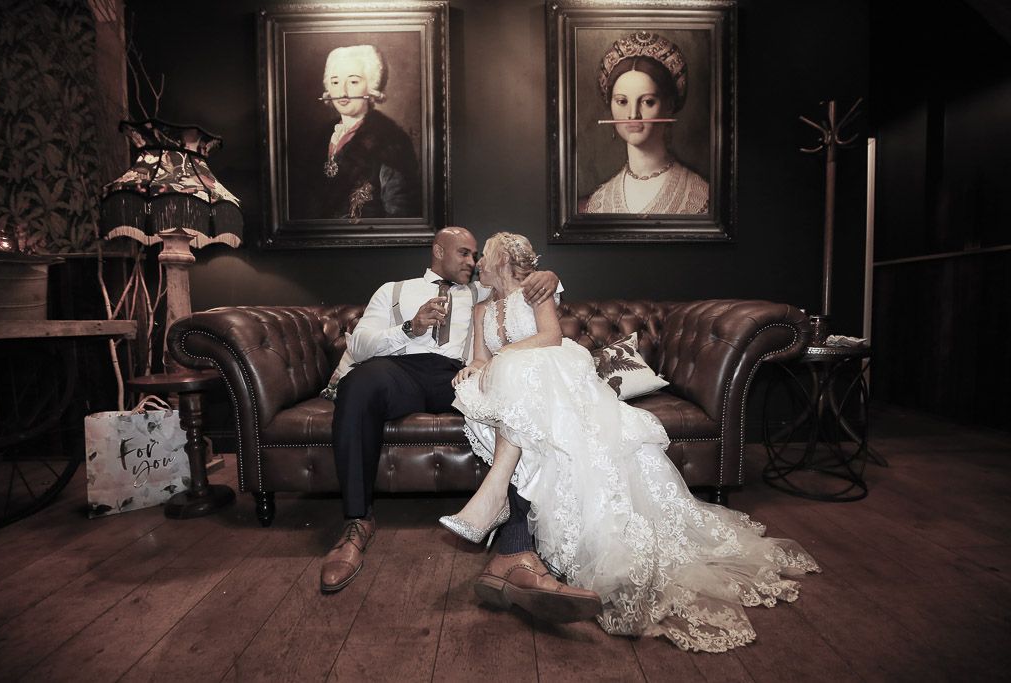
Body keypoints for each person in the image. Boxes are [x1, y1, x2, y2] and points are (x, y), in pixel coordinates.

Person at [440, 232, 820, 653]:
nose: (477, 264)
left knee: (525, 373)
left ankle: (499, 501)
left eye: (483, 257)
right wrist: (475, 367)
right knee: (509, 383)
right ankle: (510, 536)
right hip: (512, 389)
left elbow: (549, 337)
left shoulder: (536, 289)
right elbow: (478, 357)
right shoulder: (479, 308)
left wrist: (503, 357)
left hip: (551, 378)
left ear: (503, 261)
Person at [321, 226, 603, 623]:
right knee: (359, 384)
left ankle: (515, 550)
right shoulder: (393, 290)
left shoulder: (481, 293)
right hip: (399, 368)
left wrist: (550, 276)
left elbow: (519, 290)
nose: (472, 263)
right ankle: (356, 522)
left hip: (460, 374)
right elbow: (359, 345)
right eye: (465, 254)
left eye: (476, 256)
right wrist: (411, 327)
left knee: (515, 401)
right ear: (439, 251)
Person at [580, 31, 709, 215]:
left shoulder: (702, 196)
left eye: (647, 102)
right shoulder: (598, 202)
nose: (633, 115)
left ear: (669, 105)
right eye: (622, 102)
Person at [293, 44, 421, 221]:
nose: (342, 92)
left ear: (371, 86)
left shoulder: (391, 140)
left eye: (353, 82)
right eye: (335, 82)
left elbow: (400, 212)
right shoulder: (322, 136)